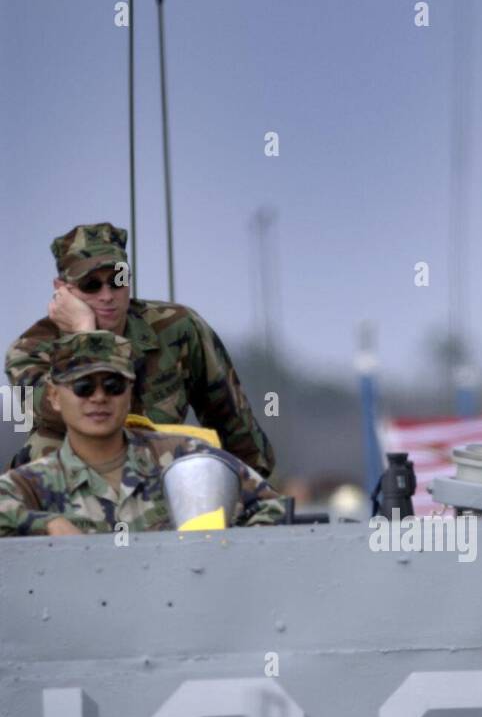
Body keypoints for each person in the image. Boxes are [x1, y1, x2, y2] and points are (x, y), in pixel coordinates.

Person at [5, 222, 275, 476]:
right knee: (43, 446)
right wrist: (85, 333)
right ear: (61, 290)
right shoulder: (30, 351)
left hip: (158, 477)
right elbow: (58, 414)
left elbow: (231, 419)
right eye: (90, 285)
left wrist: (251, 493)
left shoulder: (177, 328)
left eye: (117, 280)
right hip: (73, 490)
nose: (107, 295)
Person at [0, 332, 287, 536]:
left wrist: (226, 553)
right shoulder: (33, 483)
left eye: (113, 386)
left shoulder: (184, 457)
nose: (99, 398)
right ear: (54, 396)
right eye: (83, 387)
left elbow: (273, 507)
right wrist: (46, 524)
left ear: (130, 392)